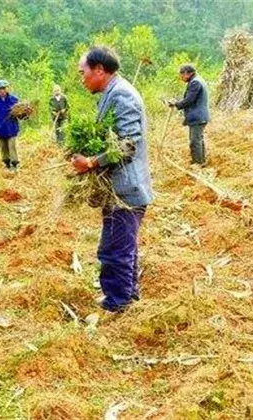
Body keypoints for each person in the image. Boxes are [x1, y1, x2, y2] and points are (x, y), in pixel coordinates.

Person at [71, 46, 154, 313]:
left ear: (99, 70)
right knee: (122, 245)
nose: (81, 78)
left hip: (126, 190)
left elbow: (128, 145)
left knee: (114, 249)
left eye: (82, 72)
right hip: (119, 188)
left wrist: (92, 162)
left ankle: (117, 305)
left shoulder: (121, 95)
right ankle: (128, 297)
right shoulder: (113, 92)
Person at [168, 64, 210, 165]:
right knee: (198, 139)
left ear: (188, 73)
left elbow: (189, 100)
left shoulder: (195, 82)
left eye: (182, 75)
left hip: (197, 116)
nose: (181, 78)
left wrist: (176, 104)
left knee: (195, 141)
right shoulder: (198, 80)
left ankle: (198, 163)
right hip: (201, 116)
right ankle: (201, 161)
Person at [0, 79, 20, 172]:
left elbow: (20, 115)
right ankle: (7, 163)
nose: (2, 90)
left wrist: (24, 114)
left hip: (11, 128)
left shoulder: (14, 100)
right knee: (3, 148)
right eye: (0, 88)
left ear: (7, 89)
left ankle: (14, 164)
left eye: (4, 88)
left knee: (11, 146)